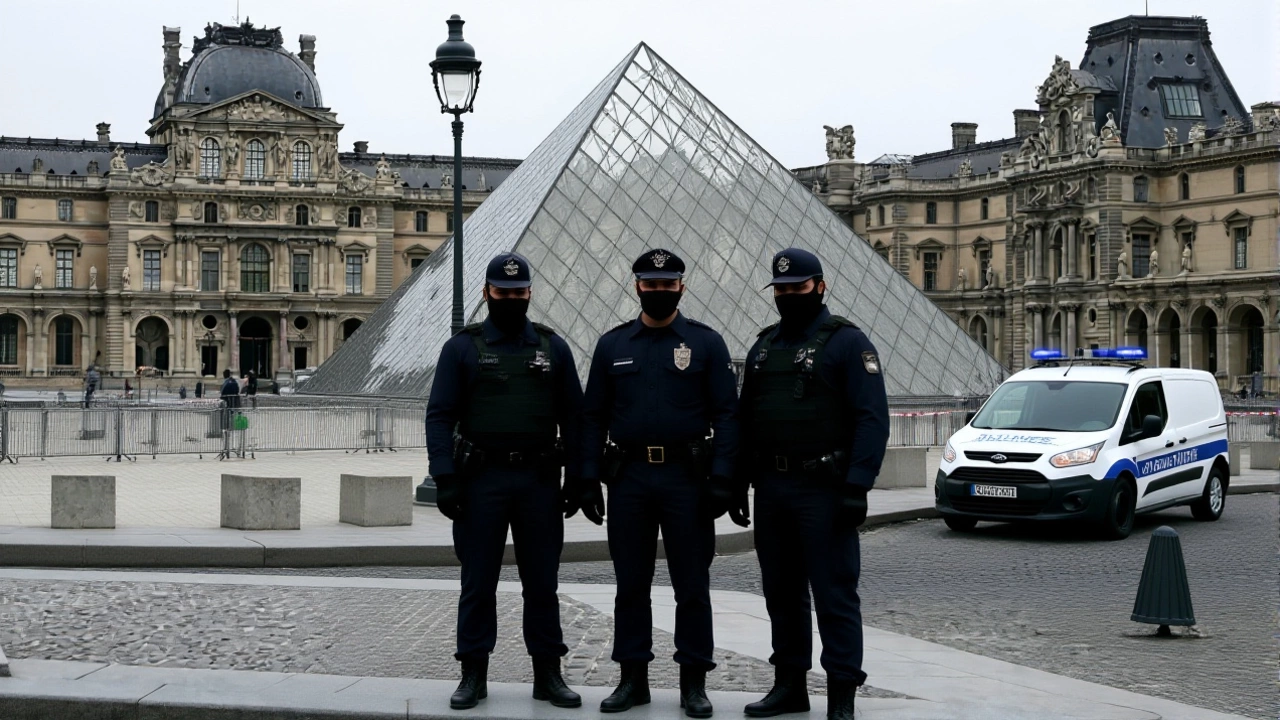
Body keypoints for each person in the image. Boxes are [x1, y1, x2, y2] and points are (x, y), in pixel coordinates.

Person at [578, 248, 740, 718]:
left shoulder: (706, 344)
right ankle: (633, 679)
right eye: (651, 284)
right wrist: (586, 479)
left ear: (681, 287)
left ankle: (694, 683)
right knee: (630, 584)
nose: (659, 291)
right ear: (637, 287)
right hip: (628, 478)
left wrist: (724, 478)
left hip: (687, 478)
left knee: (692, 585)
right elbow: (593, 418)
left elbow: (727, 416)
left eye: (668, 285)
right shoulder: (612, 345)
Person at [425, 252, 585, 711]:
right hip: (481, 480)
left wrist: (579, 477)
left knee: (543, 584)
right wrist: (445, 476)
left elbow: (576, 418)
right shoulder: (461, 348)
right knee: (478, 583)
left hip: (539, 479)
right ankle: (473, 674)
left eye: (518, 292)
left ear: (530, 292)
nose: (511, 299)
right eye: (503, 292)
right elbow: (439, 416)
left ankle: (548, 674)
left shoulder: (554, 348)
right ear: (487, 293)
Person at [735, 249, 890, 720]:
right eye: (780, 289)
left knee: (834, 594)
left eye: (797, 287)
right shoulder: (764, 347)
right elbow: (746, 419)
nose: (788, 295)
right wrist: (739, 482)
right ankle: (790, 686)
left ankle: (842, 694)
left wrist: (857, 485)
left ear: (820, 287)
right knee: (781, 595)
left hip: (825, 489)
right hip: (773, 488)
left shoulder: (848, 343)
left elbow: (872, 419)